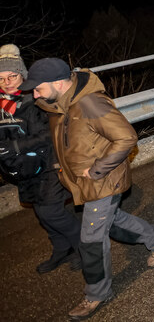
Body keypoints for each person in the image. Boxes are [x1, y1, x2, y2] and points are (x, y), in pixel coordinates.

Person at [24, 58, 154, 321]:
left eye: (38, 88)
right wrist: (62, 168)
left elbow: (126, 137)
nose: (35, 94)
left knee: (91, 239)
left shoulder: (89, 103)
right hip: (84, 183)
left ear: (58, 83)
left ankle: (96, 293)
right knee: (112, 222)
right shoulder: (56, 105)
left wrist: (96, 170)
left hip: (104, 180)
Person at [0, 45, 81, 274]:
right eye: (1, 78)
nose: (7, 82)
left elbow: (49, 133)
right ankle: (62, 249)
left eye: (12, 76)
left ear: (22, 74)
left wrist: (16, 146)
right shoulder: (2, 105)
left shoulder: (36, 97)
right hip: (23, 168)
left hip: (48, 163)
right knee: (40, 211)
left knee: (51, 212)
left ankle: (85, 248)